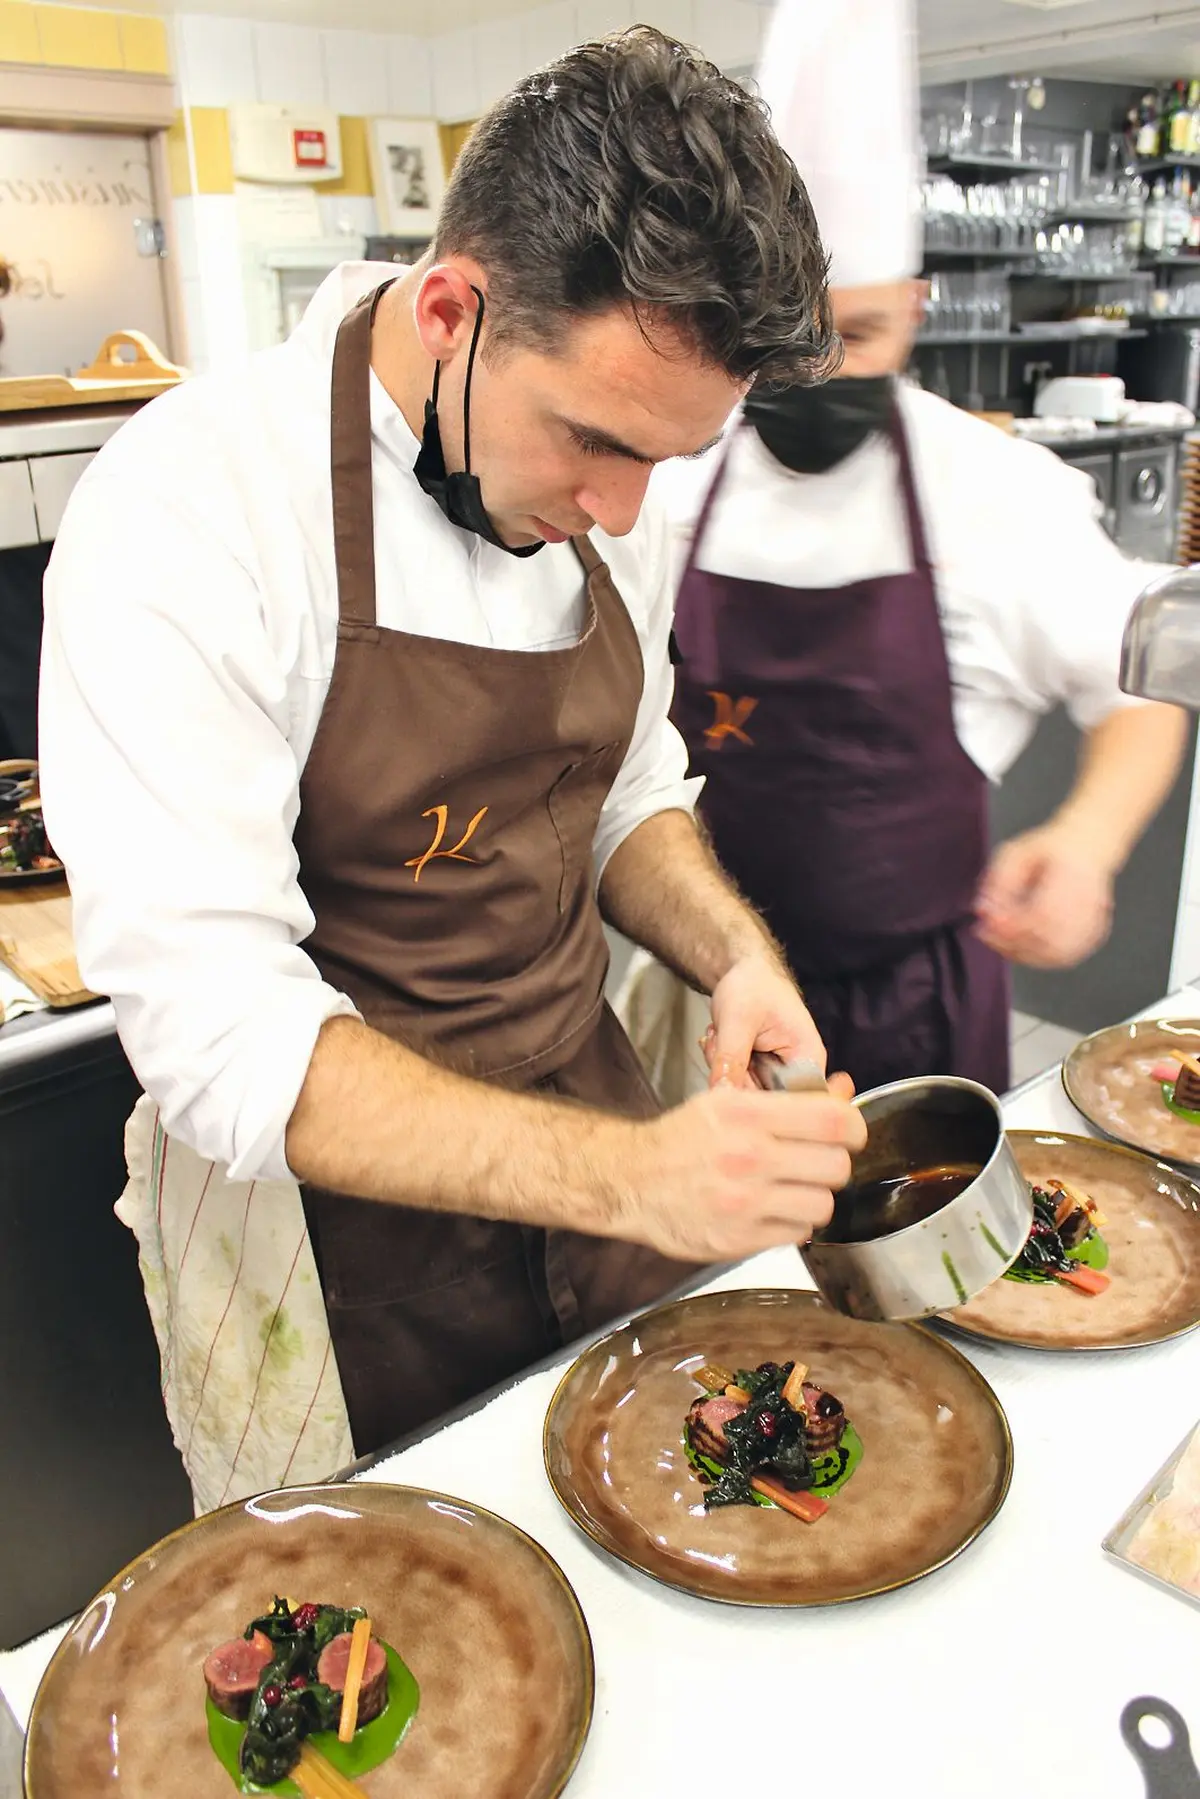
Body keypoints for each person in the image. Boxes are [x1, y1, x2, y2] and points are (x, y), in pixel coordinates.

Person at [38, 28, 866, 1515]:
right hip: (336, 1245)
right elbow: (219, 1033)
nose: (623, 507)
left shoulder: (625, 490)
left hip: (609, 1148)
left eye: (667, 463)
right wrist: (628, 1175)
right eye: (595, 442)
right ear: (449, 308)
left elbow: (627, 787)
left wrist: (733, 954)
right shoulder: (194, 509)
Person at [652, 0, 1186, 1099]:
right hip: (707, 1002)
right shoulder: (668, 470)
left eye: (857, 335)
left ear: (915, 305)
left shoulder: (997, 496)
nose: (814, 372)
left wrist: (1085, 840)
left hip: (912, 1015)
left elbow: (1137, 694)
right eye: (783, 337)